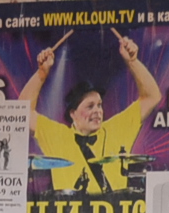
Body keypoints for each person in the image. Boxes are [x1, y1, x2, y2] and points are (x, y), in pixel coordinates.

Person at [24, 31, 161, 193]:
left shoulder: (116, 129)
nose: (97, 111)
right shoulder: (57, 135)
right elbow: (23, 112)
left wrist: (132, 61)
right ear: (73, 114)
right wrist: (41, 73)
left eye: (99, 105)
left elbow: (152, 96)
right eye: (90, 106)